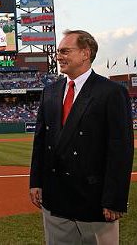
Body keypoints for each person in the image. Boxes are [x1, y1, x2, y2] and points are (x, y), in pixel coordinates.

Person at [29, 30, 134, 244]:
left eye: (65, 51)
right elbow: (41, 142)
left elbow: (120, 149)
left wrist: (114, 199)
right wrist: (36, 182)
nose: (58, 56)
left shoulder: (111, 92)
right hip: (55, 199)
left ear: (85, 53)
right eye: (58, 51)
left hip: (93, 201)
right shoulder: (50, 91)